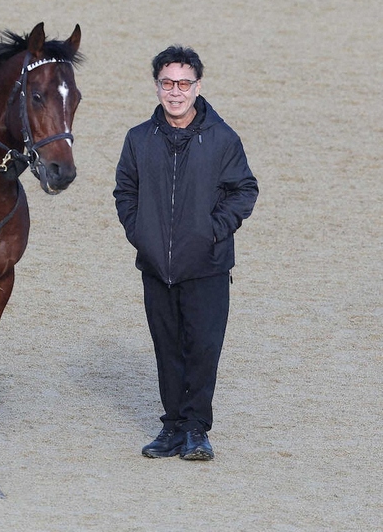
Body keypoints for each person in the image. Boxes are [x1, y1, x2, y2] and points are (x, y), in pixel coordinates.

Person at [113, 45, 258, 461]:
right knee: (167, 347)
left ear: (198, 86)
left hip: (207, 267)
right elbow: (125, 191)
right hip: (157, 266)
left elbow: (244, 190)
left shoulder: (223, 138)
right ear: (157, 85)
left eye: (183, 83)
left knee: (202, 349)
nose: (175, 91)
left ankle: (197, 429)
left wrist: (212, 232)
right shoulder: (139, 139)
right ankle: (173, 426)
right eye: (167, 83)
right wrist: (141, 234)